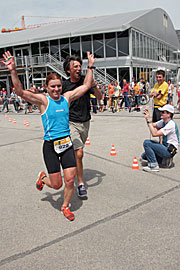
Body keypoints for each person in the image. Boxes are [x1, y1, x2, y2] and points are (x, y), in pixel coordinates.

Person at [2, 50, 95, 221]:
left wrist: (90, 66)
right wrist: (13, 70)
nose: (56, 89)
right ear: (47, 87)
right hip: (51, 146)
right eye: (53, 86)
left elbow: (86, 86)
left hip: (66, 144)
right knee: (57, 184)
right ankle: (43, 178)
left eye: (59, 86)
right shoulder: (43, 101)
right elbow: (21, 92)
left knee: (69, 180)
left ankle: (65, 206)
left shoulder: (66, 98)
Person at [62, 54, 102, 198]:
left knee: (77, 154)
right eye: (75, 66)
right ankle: (80, 183)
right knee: (79, 153)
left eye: (80, 66)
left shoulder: (86, 81)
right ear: (68, 70)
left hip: (85, 122)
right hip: (71, 122)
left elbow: (99, 97)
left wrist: (95, 85)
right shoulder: (64, 85)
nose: (79, 69)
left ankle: (71, 167)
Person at [141, 104, 179, 172]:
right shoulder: (163, 121)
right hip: (165, 147)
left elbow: (154, 134)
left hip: (169, 150)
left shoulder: (171, 124)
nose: (160, 113)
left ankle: (153, 166)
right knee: (144, 155)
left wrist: (149, 120)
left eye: (163, 112)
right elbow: (152, 125)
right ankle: (163, 161)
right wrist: (147, 118)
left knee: (147, 143)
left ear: (168, 114)